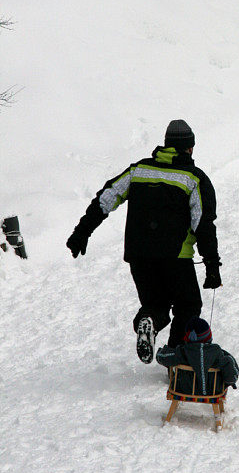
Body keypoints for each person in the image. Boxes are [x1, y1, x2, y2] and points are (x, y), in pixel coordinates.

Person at [66, 119, 222, 363]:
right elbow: (202, 223)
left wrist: (82, 232)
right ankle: (176, 357)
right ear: (190, 147)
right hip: (175, 257)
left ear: (167, 144)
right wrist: (212, 264)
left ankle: (147, 321)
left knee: (155, 304)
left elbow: (107, 197)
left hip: (139, 256)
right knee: (188, 305)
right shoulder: (193, 178)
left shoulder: (139, 170)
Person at [156, 317, 239, 393]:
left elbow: (162, 356)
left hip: (184, 389)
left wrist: (162, 351)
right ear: (209, 336)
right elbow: (231, 373)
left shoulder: (182, 352)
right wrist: (229, 382)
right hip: (213, 391)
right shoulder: (218, 353)